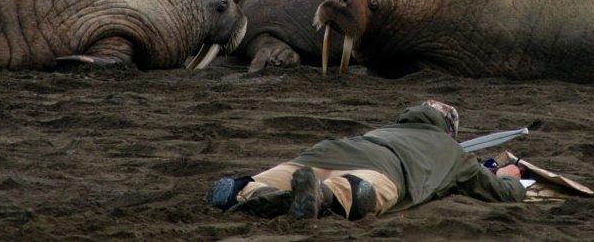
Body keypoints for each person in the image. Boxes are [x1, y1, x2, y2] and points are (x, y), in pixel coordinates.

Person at [206, 100, 526, 220]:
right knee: (357, 191)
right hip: (385, 168)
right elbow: (500, 193)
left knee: (262, 180)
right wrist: (510, 176)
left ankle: (250, 192)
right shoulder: (455, 154)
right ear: (449, 130)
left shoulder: (385, 129)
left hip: (329, 151)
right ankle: (323, 196)